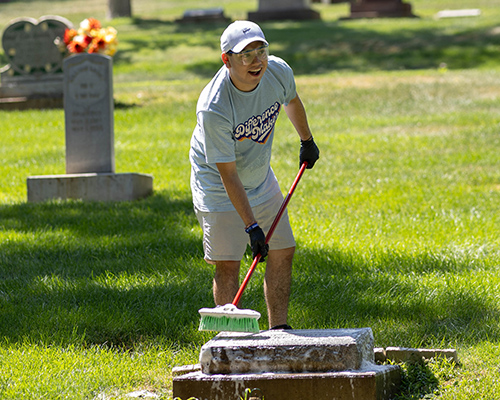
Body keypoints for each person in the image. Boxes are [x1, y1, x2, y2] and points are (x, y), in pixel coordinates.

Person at [189, 20, 319, 330]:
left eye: (261, 50)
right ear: (227, 59)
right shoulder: (214, 107)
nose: (256, 61)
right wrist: (251, 227)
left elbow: (291, 100)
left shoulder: (277, 71)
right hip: (219, 185)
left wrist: (307, 140)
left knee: (283, 250)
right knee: (228, 263)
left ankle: (280, 331)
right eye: (246, 55)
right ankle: (228, 344)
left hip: (260, 178)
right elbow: (227, 172)